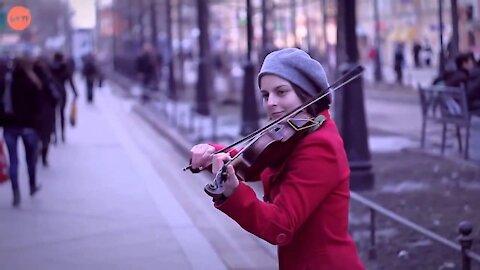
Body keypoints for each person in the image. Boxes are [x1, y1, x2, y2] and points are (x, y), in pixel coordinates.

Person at [189, 48, 365, 270]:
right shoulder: (292, 134)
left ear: (306, 94)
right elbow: (251, 164)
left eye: (281, 92)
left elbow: (281, 224)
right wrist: (211, 154)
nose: (270, 102)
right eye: (265, 94)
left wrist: (233, 192)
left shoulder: (320, 145)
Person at [0, 55, 43, 207]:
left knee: (13, 161)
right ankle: (32, 186)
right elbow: (39, 107)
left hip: (9, 126)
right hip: (29, 127)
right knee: (30, 159)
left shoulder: (6, 81)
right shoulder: (33, 82)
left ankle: (16, 192)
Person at [50, 52, 78, 143]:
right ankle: (62, 134)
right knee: (62, 113)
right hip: (62, 92)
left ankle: (54, 134)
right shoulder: (65, 68)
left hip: (52, 92)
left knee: (53, 114)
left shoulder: (50, 67)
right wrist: (75, 92)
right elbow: (70, 81)